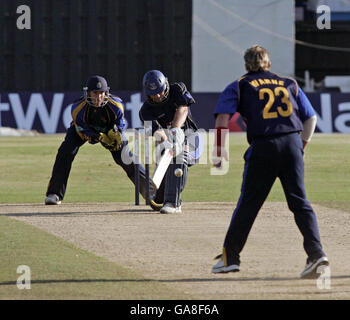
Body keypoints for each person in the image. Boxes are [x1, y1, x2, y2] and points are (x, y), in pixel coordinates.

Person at [211, 45, 329, 279]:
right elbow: (311, 117)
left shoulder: (239, 85)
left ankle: (230, 258)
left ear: (246, 64)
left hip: (264, 146)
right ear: (269, 63)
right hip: (292, 143)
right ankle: (316, 254)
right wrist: (301, 147)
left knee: (249, 204)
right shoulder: (289, 83)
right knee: (300, 202)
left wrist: (219, 151)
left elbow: (223, 117)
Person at [45, 75, 153, 205]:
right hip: (83, 130)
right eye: (95, 93)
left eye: (101, 93)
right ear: (88, 93)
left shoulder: (116, 105)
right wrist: (97, 137)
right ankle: (54, 193)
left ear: (106, 92)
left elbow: (121, 124)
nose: (99, 97)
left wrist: (116, 134)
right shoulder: (77, 109)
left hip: (109, 130)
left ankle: (152, 193)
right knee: (65, 151)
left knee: (126, 158)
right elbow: (83, 131)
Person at [139, 70, 200, 214]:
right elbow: (157, 132)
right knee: (157, 203)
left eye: (160, 91)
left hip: (191, 139)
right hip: (167, 143)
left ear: (166, 84)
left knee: (179, 154)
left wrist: (175, 131)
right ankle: (164, 196)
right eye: (153, 94)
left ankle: (174, 203)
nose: (158, 96)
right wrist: (166, 141)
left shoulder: (177, 89)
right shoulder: (145, 111)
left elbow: (183, 109)